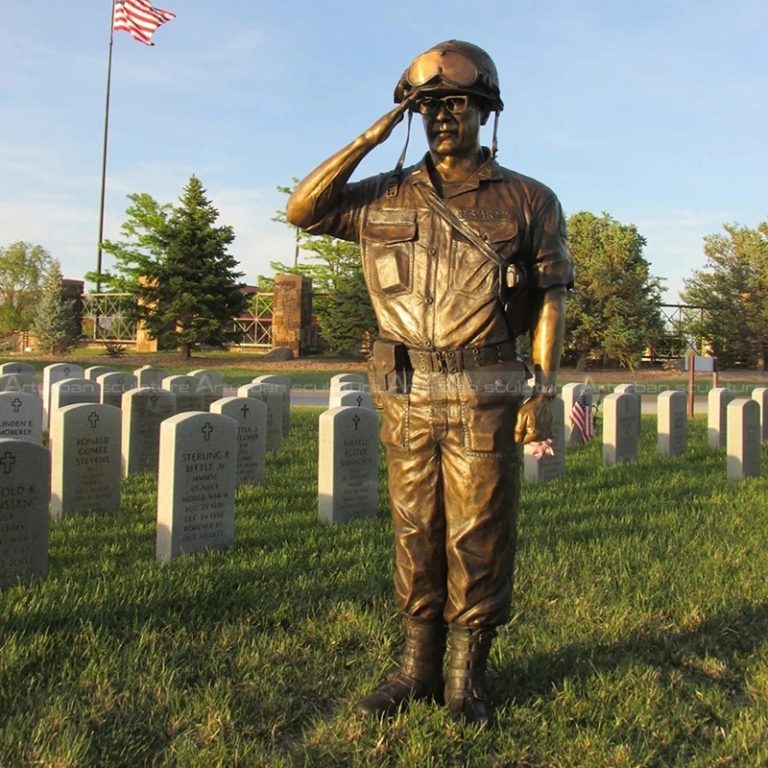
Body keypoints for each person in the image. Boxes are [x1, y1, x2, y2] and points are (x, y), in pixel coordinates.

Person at [287, 40, 574, 726]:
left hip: (484, 390)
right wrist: (375, 132)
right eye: (429, 106)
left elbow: (553, 296)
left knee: (479, 535)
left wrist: (545, 390)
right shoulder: (382, 195)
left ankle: (464, 677)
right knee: (415, 532)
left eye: (458, 104)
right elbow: (302, 210)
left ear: (484, 111)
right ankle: (416, 667)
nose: (444, 116)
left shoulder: (529, 199)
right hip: (407, 390)